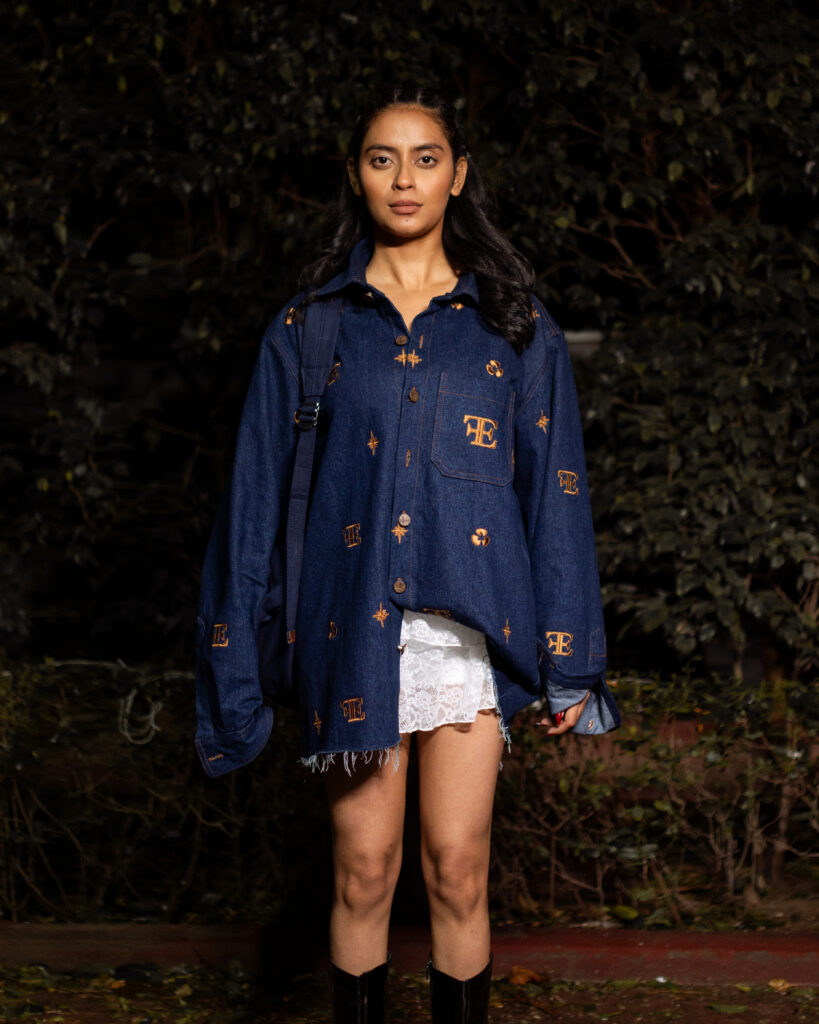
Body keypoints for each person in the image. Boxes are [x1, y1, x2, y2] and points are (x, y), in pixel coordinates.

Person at [194, 85, 620, 1024]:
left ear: (457, 175)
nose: (403, 178)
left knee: (458, 868)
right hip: (349, 624)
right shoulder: (310, 326)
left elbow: (554, 490)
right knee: (363, 867)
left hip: (468, 632)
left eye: (425, 158)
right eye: (381, 158)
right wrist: (232, 665)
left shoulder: (514, 325)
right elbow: (252, 500)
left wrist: (570, 657)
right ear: (357, 173)